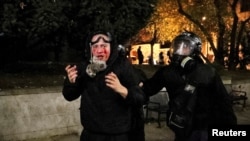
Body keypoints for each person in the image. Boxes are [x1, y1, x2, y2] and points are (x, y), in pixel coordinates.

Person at [141, 31, 237, 141]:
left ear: (195, 51)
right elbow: (147, 89)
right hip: (182, 128)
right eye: (177, 46)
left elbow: (224, 102)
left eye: (184, 47)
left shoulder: (208, 72)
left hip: (204, 129)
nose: (179, 51)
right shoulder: (167, 72)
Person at [62, 30, 145, 141]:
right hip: (91, 134)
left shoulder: (122, 65)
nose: (100, 50)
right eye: (95, 46)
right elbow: (69, 96)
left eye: (103, 45)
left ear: (111, 47)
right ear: (90, 48)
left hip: (118, 134)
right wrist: (72, 83)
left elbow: (140, 98)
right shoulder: (84, 66)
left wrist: (122, 90)